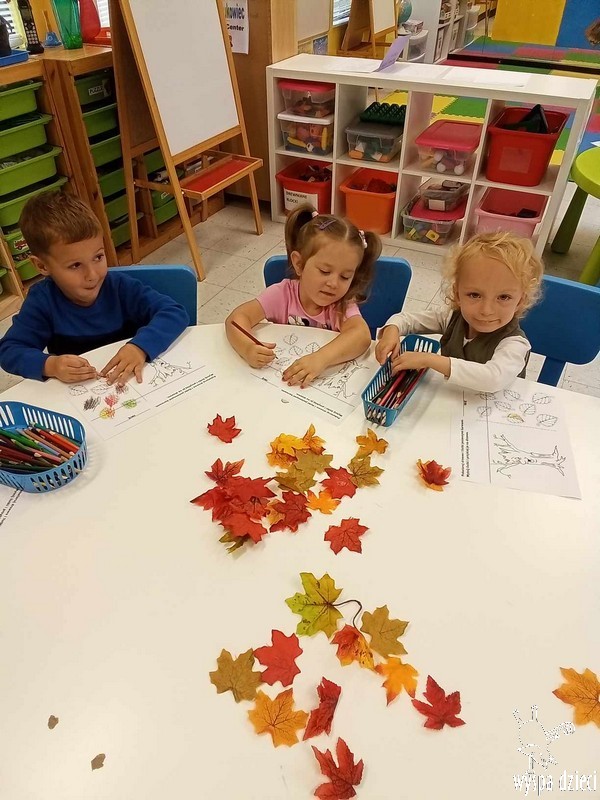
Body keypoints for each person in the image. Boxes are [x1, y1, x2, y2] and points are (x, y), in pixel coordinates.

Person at [0, 192, 189, 385]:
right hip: (78, 391)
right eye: (75, 265)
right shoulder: (42, 301)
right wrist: (51, 365)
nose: (92, 275)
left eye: (98, 257)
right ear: (42, 266)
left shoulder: (120, 287)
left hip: (133, 382)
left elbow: (174, 312)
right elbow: (9, 350)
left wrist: (140, 347)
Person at [226, 205, 381, 388]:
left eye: (345, 277)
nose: (333, 283)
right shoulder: (281, 295)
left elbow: (362, 336)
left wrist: (321, 358)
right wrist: (247, 348)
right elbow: (236, 319)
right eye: (325, 271)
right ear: (299, 264)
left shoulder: (341, 305)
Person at [375, 231, 543, 392]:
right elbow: (407, 319)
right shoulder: (452, 318)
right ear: (457, 294)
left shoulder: (515, 344)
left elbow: (493, 378)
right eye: (474, 295)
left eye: (504, 297)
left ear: (520, 301)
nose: (486, 310)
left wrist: (429, 360)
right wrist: (392, 329)